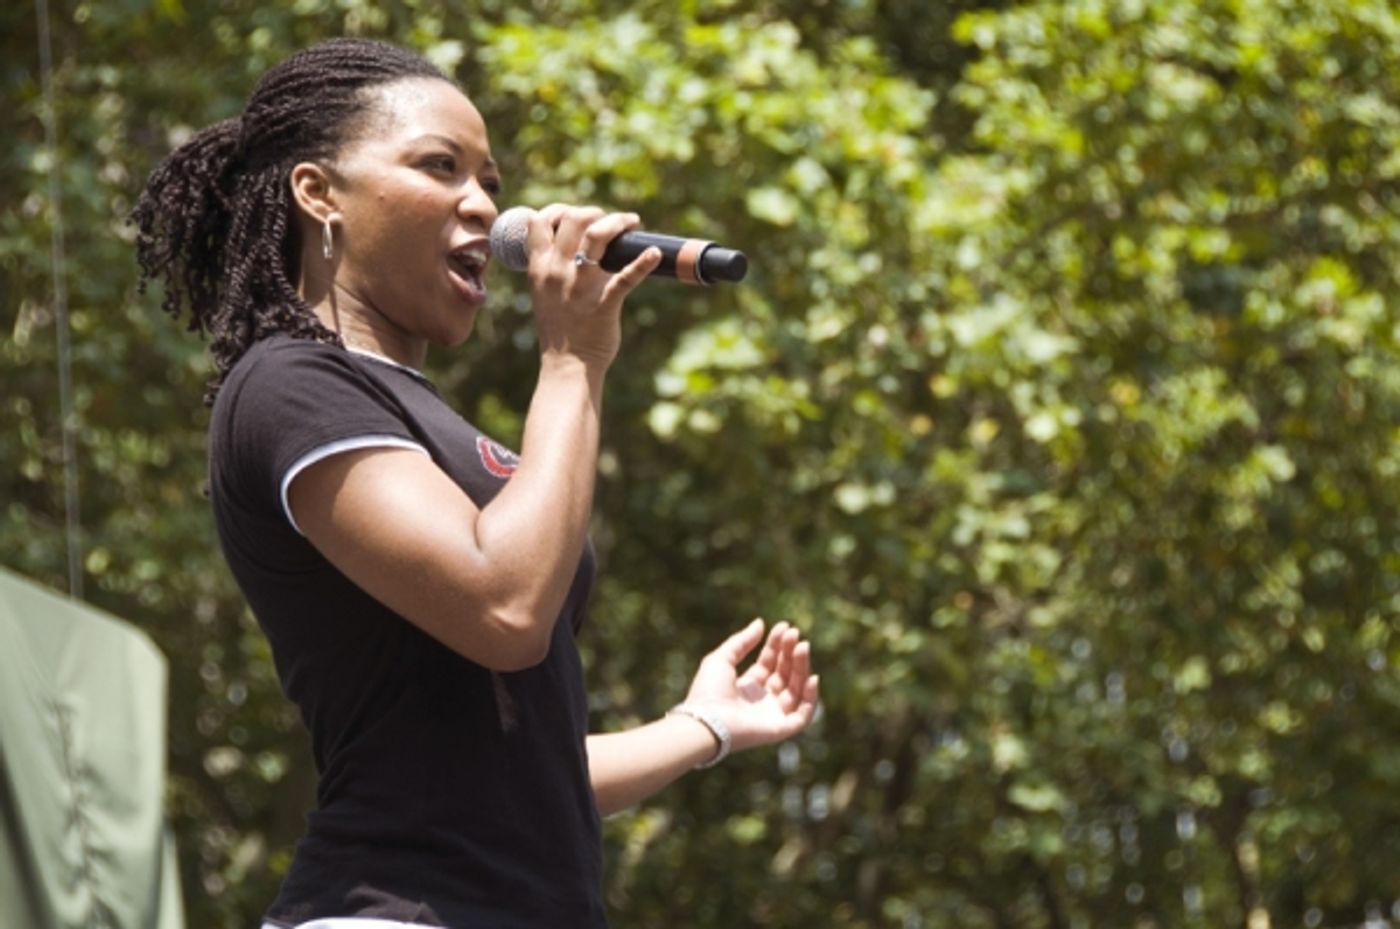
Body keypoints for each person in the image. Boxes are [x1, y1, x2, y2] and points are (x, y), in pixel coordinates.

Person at [132, 36, 819, 929]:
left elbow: (518, 771)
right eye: (440, 166)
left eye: (490, 180)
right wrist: (572, 362)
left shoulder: (438, 430)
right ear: (318, 192)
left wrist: (705, 726)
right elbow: (504, 609)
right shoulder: (290, 385)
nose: (486, 205)